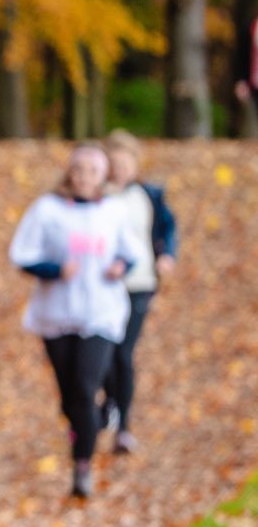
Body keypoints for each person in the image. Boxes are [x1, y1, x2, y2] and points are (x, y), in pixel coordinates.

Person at [7, 142, 147, 499]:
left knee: (86, 387)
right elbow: (22, 254)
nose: (84, 177)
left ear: (103, 176)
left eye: (92, 171)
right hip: (56, 314)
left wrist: (120, 267)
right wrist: (53, 270)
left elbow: (132, 252)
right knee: (69, 395)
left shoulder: (113, 211)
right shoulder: (47, 209)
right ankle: (87, 426)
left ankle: (82, 464)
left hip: (100, 313)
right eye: (79, 170)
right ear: (69, 173)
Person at [98, 130, 177, 453]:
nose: (118, 170)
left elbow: (168, 227)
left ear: (135, 164)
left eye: (124, 164)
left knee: (123, 352)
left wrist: (167, 255)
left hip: (139, 283)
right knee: (104, 352)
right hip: (104, 285)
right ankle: (110, 405)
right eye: (113, 164)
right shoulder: (97, 195)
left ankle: (123, 425)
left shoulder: (149, 195)